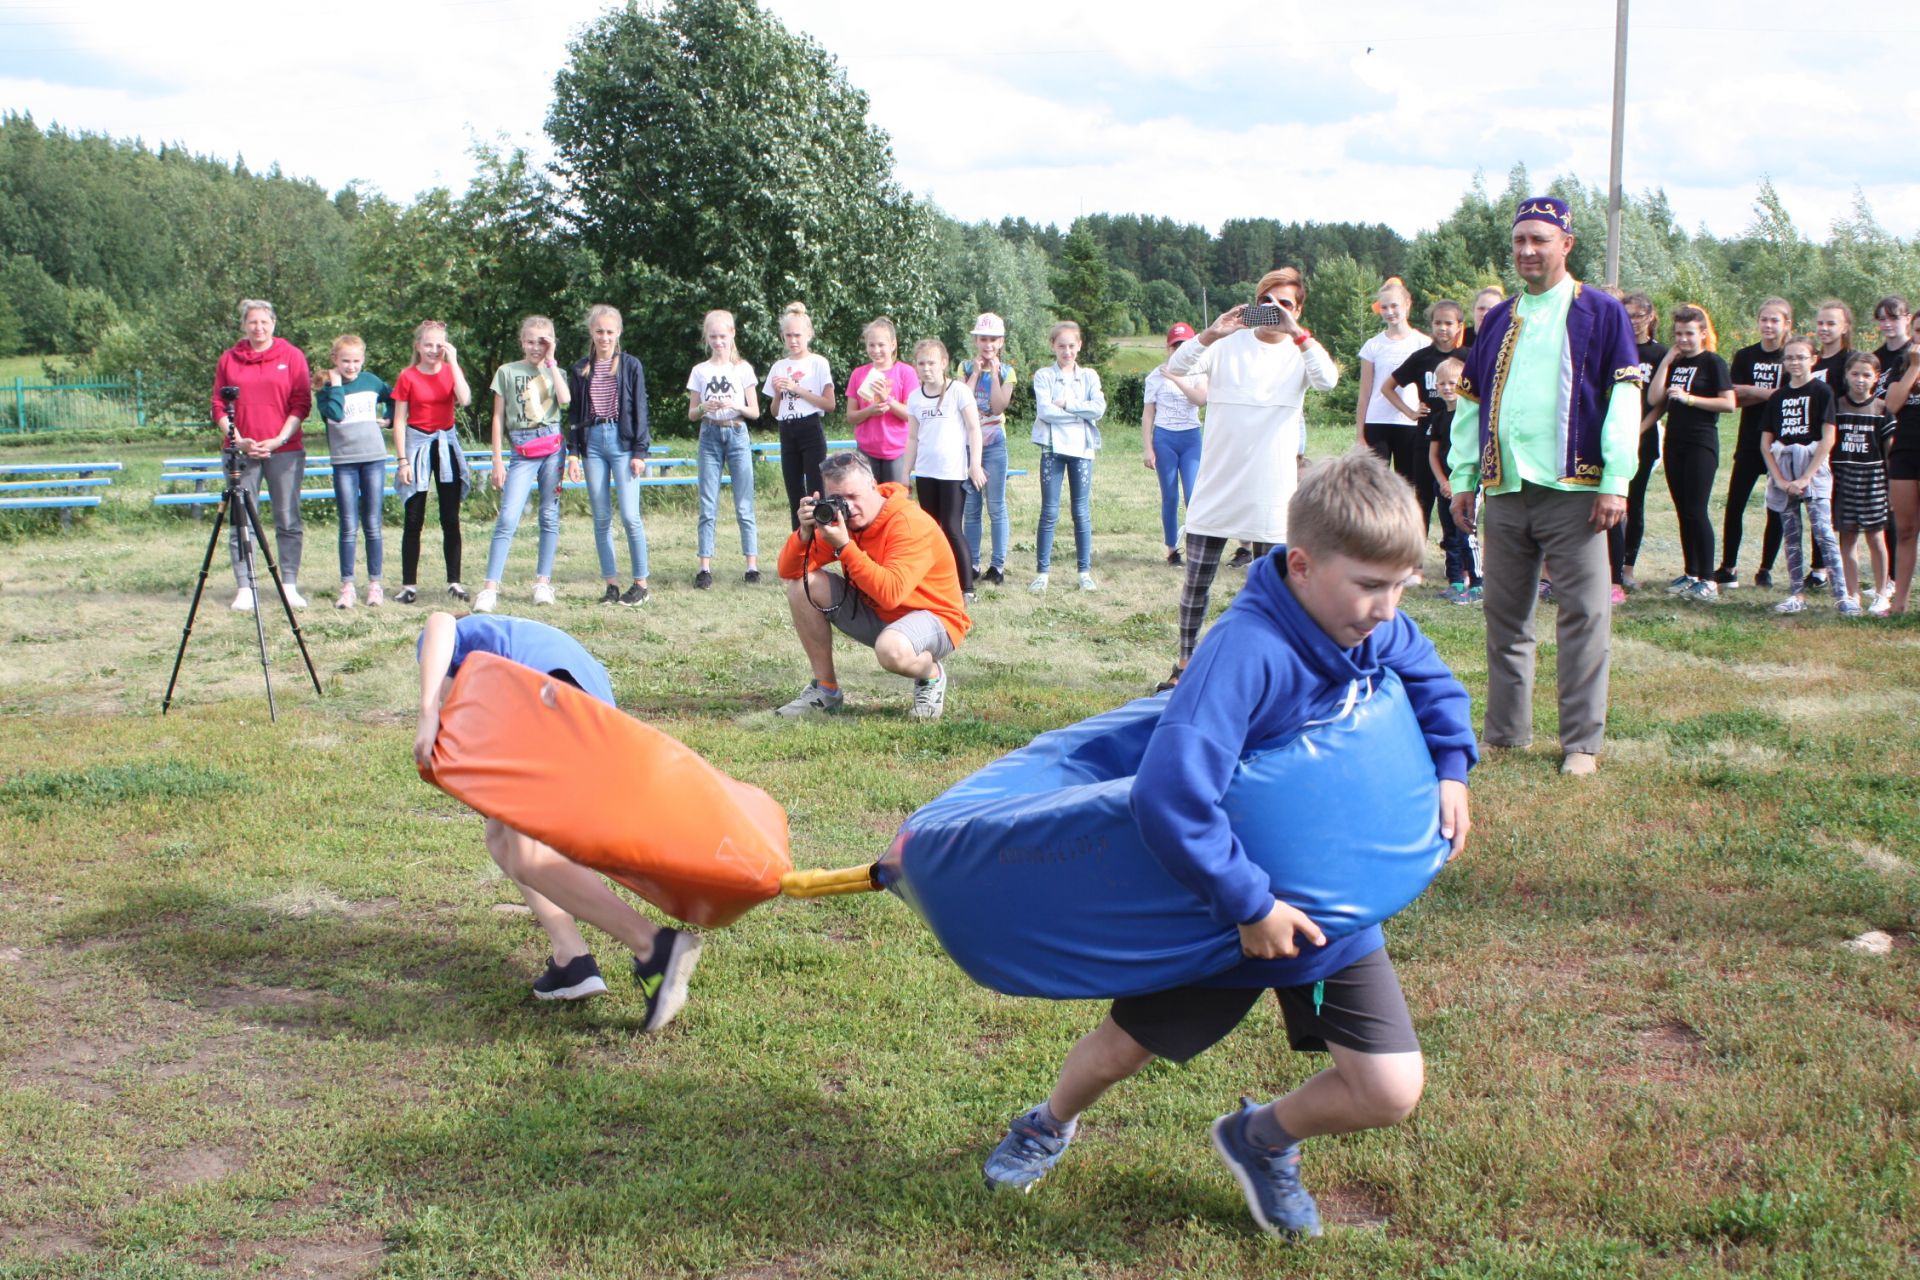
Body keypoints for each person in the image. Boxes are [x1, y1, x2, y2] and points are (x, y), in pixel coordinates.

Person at [980, 451, 1476, 1242]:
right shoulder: (1246, 654)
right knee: (1117, 1053)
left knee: (1388, 1089)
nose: (1388, 610)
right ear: (1304, 565)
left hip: (1326, 915)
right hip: (1219, 916)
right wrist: (1248, 904)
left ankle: (1260, 1139)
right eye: (1370, 587)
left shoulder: (1370, 625)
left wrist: (1451, 764)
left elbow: (1432, 680)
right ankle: (1047, 1121)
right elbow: (1169, 794)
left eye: (1402, 588)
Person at [413, 611, 702, 1026]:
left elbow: (438, 620)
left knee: (532, 857)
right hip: (593, 725)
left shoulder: (461, 638)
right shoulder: (512, 642)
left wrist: (427, 711)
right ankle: (572, 959)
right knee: (500, 836)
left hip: (552, 706)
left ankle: (655, 948)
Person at [1450, 196, 1641, 777]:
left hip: (1576, 491)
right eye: (1519, 241)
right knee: (1505, 615)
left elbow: (1625, 398)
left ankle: (1581, 743)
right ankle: (1507, 733)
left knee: (1583, 615)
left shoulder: (1602, 313)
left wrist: (1616, 480)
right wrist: (1464, 479)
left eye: (1540, 240)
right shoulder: (1498, 318)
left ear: (1566, 244)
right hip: (1506, 489)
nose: (1528, 251)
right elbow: (1471, 403)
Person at [1159, 268, 1338, 691]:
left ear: (1298, 309)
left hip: (1272, 490)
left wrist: (1299, 333)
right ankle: (1183, 666)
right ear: (1255, 304)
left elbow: (1328, 381)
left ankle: (1263, 673)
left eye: (1286, 304)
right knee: (1196, 585)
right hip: (1219, 482)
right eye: (1269, 303)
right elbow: (1177, 364)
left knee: (1272, 593)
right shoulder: (1228, 344)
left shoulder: (1300, 350)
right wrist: (1212, 333)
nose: (1276, 311)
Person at [774, 452, 970, 721]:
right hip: (881, 614)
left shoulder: (908, 522)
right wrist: (804, 534)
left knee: (891, 649)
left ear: (873, 485)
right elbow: (788, 571)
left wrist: (844, 547)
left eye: (854, 497)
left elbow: (891, 593)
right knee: (802, 586)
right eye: (839, 499)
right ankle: (826, 690)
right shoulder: (844, 522)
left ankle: (930, 674)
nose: (848, 507)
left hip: (935, 619)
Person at [211, 299, 312, 611]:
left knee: (287, 517)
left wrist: (279, 438)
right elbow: (217, 404)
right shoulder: (229, 359)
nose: (259, 328)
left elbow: (301, 402)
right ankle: (245, 586)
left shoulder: (292, 356)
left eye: (264, 322)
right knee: (241, 519)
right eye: (252, 322)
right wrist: (237, 439)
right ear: (244, 325)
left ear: (274, 323)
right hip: (241, 451)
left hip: (285, 450)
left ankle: (289, 584)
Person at [476, 316, 572, 614]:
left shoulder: (557, 371)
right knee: (508, 517)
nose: (535, 347)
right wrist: (497, 459)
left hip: (553, 447)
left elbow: (566, 400)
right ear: (521, 342)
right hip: (521, 449)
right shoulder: (507, 372)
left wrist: (552, 361)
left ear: (551, 342)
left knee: (549, 514)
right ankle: (490, 587)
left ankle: (543, 582)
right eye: (530, 341)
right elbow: (497, 417)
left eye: (542, 341)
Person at [1647, 305, 1734, 601]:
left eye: (1690, 333)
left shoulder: (1713, 362)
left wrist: (1691, 399)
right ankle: (1691, 572)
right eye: (1679, 334)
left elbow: (1729, 403)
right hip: (1675, 441)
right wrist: (1668, 360)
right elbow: (1654, 398)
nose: (1684, 339)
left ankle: (1709, 579)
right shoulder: (1676, 362)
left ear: (1703, 334)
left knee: (1697, 510)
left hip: (1701, 442)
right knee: (1683, 510)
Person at [567, 304, 652, 606]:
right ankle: (611, 585)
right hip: (593, 443)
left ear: (618, 333)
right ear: (592, 332)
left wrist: (640, 450)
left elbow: (640, 407)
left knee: (630, 516)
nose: (604, 337)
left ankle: (641, 582)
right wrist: (573, 453)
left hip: (623, 441)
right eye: (599, 331)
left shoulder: (630, 365)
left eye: (610, 332)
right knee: (601, 518)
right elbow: (575, 413)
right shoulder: (579, 369)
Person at [1760, 338, 1849, 616]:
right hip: (1784, 469)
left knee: (1823, 532)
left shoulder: (1822, 391)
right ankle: (1796, 593)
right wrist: (1780, 480)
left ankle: (1842, 596)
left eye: (1801, 357)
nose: (1795, 363)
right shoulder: (1778, 397)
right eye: (1789, 358)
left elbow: (1828, 438)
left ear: (1813, 359)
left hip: (1813, 468)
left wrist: (1806, 477)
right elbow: (1765, 443)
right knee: (1791, 534)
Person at [391, 320, 474, 604]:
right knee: (414, 518)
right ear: (418, 347)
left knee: (450, 518)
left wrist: (453, 360)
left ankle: (454, 581)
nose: (434, 350)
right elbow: (399, 420)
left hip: (445, 445)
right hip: (417, 446)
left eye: (439, 345)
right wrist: (403, 461)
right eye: (428, 345)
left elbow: (465, 400)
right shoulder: (407, 376)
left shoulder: (451, 371)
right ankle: (409, 585)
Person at [1713, 299, 1792, 590]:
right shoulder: (1745, 356)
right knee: (1735, 504)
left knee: (1776, 507)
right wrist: (1772, 393)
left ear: (1787, 324)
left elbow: (1791, 396)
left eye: (1775, 320)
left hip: (1781, 441)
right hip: (1749, 440)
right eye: (1764, 319)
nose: (1769, 325)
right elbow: (1735, 399)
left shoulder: (1791, 356)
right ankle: (1728, 567)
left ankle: (1765, 569)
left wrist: (1754, 390)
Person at [1355, 278, 1434, 550]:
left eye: (1395, 306)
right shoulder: (1373, 345)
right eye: (1385, 307)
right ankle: (1373, 541)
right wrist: (1359, 434)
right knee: (1376, 486)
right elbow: (1365, 393)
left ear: (1407, 305)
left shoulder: (1424, 343)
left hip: (1410, 425)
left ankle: (1405, 542)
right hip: (1377, 423)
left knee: (1409, 487)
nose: (1390, 312)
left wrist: (1424, 414)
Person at [902, 338, 986, 599]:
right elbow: (913, 438)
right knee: (930, 528)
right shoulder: (915, 398)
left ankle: (967, 588)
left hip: (951, 473)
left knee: (951, 526)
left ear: (944, 363)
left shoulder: (959, 391)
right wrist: (905, 474)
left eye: (931, 363)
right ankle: (934, 583)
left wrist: (975, 465)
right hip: (926, 473)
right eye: (921, 363)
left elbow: (974, 429)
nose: (927, 368)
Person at [1029, 321, 1106, 593]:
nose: (1067, 351)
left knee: (1081, 511)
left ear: (1079, 346)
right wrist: (1078, 413)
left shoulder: (1089, 377)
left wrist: (1069, 404)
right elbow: (1045, 412)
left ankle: (1084, 571)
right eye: (1061, 346)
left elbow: (1098, 409)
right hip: (1052, 449)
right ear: (1053, 346)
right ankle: (1042, 572)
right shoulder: (1044, 376)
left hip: (1082, 451)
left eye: (1072, 346)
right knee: (1049, 511)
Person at [315, 334, 391, 610]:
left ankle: (375, 584)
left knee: (372, 523)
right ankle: (347, 585)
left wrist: (388, 418)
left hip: (373, 459)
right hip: (344, 461)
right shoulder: (325, 389)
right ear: (334, 359)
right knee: (348, 525)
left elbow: (393, 396)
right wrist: (335, 385)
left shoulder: (371, 381)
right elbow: (334, 414)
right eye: (345, 361)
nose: (351, 367)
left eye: (357, 361)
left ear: (363, 360)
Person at [686, 309, 761, 589]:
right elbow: (692, 413)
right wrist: (706, 406)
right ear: (707, 338)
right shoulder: (700, 371)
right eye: (713, 337)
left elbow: (754, 411)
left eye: (723, 336)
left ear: (732, 334)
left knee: (744, 503)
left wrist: (734, 406)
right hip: (709, 434)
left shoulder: (742, 369)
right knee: (708, 503)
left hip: (737, 431)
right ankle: (704, 566)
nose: (719, 342)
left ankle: (751, 565)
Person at [1610, 293, 1667, 597]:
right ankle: (1610, 566)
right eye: (1627, 315)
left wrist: (1638, 430)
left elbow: (1660, 403)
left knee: (1634, 502)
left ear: (1650, 316)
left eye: (1638, 315)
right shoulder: (1616, 347)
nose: (1633, 321)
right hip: (1615, 436)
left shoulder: (1659, 353)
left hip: (1643, 437)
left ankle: (1627, 568)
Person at [763, 302, 836, 530]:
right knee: (794, 492)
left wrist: (798, 389)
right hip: (787, 429)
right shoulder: (778, 366)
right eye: (788, 336)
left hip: (810, 427)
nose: (793, 340)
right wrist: (778, 393)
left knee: (816, 491)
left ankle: (821, 544)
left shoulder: (818, 363)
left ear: (808, 335)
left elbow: (829, 404)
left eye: (797, 335)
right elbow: (775, 412)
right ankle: (800, 546)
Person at [1831, 353, 1894, 615]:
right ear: (1846, 374)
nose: (1860, 379)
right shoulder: (1836, 407)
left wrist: (1891, 487)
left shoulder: (1881, 410)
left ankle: (1881, 593)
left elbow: (1889, 453)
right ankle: (1852, 593)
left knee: (1876, 537)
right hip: (1843, 480)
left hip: (1873, 481)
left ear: (1876, 378)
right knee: (1848, 538)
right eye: (1855, 374)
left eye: (1866, 375)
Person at [959, 313, 1017, 585]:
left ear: (1001, 342)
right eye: (983, 339)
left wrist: (993, 374)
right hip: (969, 445)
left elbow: (998, 406)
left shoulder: (1007, 372)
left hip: (994, 445)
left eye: (993, 339)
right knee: (971, 507)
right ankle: (971, 562)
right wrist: (975, 374)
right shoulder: (964, 368)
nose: (988, 344)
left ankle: (997, 565)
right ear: (976, 341)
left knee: (995, 506)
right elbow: (961, 401)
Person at [1143, 322, 1207, 566]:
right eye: (1175, 346)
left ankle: (1196, 546)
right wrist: (1148, 447)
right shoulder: (1154, 377)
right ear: (1168, 348)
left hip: (1190, 438)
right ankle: (1172, 549)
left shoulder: (1200, 372)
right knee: (1170, 495)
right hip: (1165, 438)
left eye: (1184, 346)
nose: (1179, 350)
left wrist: (1177, 377)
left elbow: (1200, 399)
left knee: (1193, 495)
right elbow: (1148, 414)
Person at [1425, 356, 1478, 603]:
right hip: (1443, 486)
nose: (1447, 388)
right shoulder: (1438, 418)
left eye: (1453, 383)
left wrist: (1460, 483)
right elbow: (1434, 454)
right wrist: (1443, 482)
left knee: (1467, 534)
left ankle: (1477, 582)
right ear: (1436, 386)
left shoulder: (1470, 416)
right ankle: (1456, 581)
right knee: (1449, 536)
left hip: (1466, 486)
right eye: (1442, 383)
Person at [846, 317, 916, 485]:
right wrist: (870, 411)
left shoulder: (906, 372)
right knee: (868, 503)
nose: (876, 350)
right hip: (866, 451)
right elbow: (851, 416)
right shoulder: (858, 374)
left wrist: (888, 400)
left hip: (897, 452)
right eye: (871, 345)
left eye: (881, 345)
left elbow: (911, 415)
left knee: (895, 504)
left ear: (892, 345)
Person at [1886, 312, 1920, 614]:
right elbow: (1892, 405)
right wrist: (1915, 367)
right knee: (1906, 529)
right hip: (1906, 450)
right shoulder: (1904, 363)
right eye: (1919, 331)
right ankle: (1900, 602)